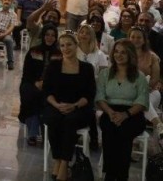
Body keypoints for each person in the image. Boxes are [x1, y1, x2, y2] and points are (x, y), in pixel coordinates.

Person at [42, 33, 96, 181]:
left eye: (69, 44)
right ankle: (58, 160)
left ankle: (64, 163)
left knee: (70, 120)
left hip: (79, 107)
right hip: (56, 105)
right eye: (62, 45)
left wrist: (74, 105)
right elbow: (46, 90)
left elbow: (89, 94)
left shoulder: (87, 68)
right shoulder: (53, 66)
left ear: (76, 45)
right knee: (53, 119)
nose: (66, 48)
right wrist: (56, 105)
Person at [96, 39, 148, 181]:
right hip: (110, 111)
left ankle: (121, 175)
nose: (119, 55)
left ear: (131, 55)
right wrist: (110, 112)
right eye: (116, 51)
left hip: (132, 113)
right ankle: (110, 174)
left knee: (124, 131)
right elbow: (100, 97)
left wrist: (125, 114)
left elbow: (142, 101)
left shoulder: (139, 76)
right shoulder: (105, 74)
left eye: (123, 52)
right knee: (108, 128)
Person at [19, 24, 60, 146]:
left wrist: (46, 84)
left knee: (41, 96)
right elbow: (26, 72)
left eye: (53, 35)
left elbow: (59, 75)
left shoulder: (59, 54)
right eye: (47, 35)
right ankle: (34, 132)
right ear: (43, 36)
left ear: (56, 38)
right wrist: (35, 82)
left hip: (51, 86)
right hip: (31, 82)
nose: (50, 38)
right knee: (31, 94)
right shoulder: (33, 51)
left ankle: (33, 133)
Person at [76, 23, 109, 149]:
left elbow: (104, 76)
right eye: (82, 32)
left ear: (92, 36)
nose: (84, 35)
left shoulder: (99, 54)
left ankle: (93, 136)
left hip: (93, 87)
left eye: (87, 33)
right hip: (75, 87)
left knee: (89, 103)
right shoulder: (73, 50)